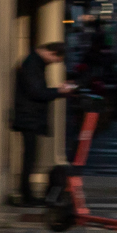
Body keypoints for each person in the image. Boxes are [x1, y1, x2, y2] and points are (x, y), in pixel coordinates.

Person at [8, 42, 76, 206]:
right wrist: (58, 91)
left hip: (29, 116)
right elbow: (36, 92)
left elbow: (37, 90)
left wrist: (57, 91)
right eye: (54, 59)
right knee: (29, 158)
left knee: (31, 157)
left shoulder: (34, 62)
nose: (53, 63)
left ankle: (27, 194)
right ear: (51, 53)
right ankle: (26, 195)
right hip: (28, 117)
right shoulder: (33, 63)